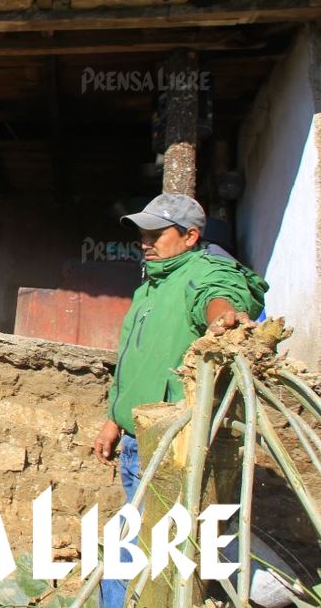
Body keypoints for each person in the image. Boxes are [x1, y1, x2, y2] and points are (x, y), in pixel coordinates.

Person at [92, 193, 267, 608]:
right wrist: (113, 420)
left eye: (156, 234)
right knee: (140, 542)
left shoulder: (203, 272)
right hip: (137, 440)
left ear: (190, 236)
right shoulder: (151, 285)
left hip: (172, 445)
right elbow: (134, 359)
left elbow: (221, 299)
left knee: (136, 546)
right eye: (142, 235)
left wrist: (223, 319)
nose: (146, 242)